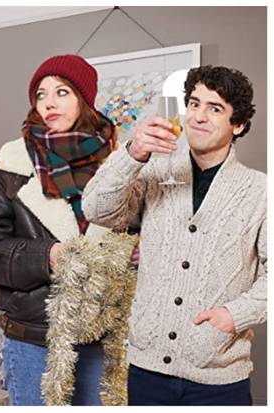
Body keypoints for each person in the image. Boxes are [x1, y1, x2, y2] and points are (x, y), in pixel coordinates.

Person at [82, 65, 266, 406]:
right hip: (146, 368)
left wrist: (233, 316)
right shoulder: (153, 169)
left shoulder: (261, 191)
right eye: (194, 104)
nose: (198, 116)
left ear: (238, 124)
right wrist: (132, 153)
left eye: (215, 108)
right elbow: (96, 209)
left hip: (219, 376)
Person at [0, 55, 124, 405]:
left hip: (103, 334)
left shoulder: (118, 162)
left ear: (85, 99)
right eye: (40, 94)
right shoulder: (13, 162)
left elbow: (136, 233)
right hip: (35, 338)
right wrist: (46, 256)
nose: (48, 102)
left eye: (62, 92)